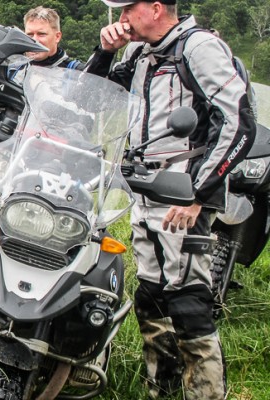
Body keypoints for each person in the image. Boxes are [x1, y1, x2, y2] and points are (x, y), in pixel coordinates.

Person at [86, 1, 256, 399]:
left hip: (184, 196)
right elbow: (90, 98)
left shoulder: (199, 48)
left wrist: (198, 192)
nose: (121, 19)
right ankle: (160, 389)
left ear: (156, 8)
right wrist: (105, 53)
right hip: (146, 191)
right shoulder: (138, 53)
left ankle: (206, 394)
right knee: (151, 297)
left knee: (187, 301)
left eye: (127, 9)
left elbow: (238, 122)